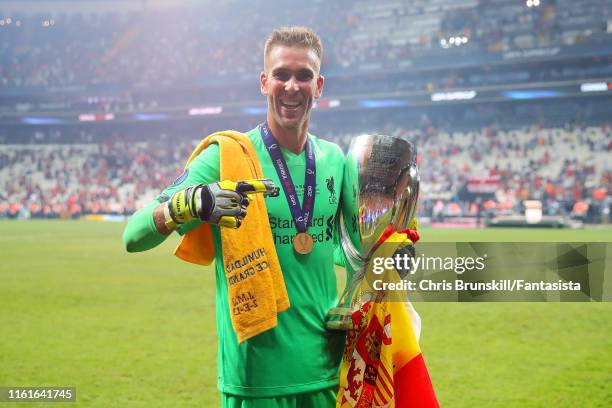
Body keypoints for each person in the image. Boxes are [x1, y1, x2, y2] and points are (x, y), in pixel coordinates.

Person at [123, 27, 346, 408]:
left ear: (319, 85)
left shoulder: (335, 160)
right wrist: (188, 204)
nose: (292, 86)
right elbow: (133, 235)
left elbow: (359, 251)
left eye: (304, 75)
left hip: (325, 371)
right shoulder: (226, 157)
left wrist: (398, 251)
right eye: (281, 74)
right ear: (264, 82)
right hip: (255, 378)